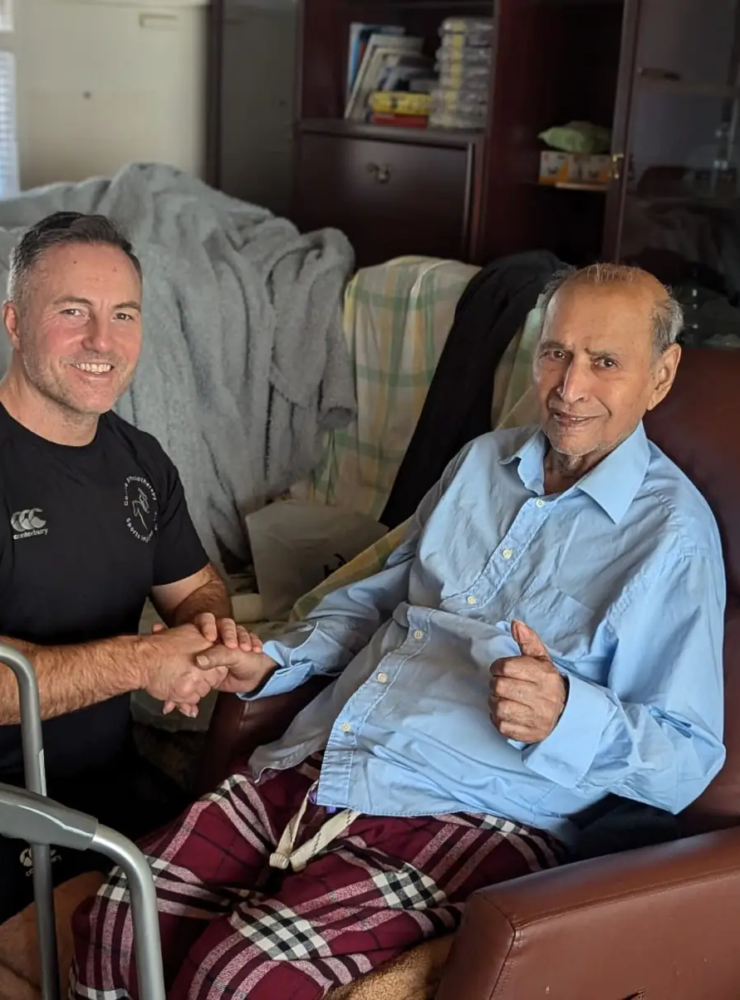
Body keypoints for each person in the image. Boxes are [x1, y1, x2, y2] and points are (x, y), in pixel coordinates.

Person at [71, 264, 726, 1000]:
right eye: (555, 354)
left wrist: (566, 715)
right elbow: (377, 600)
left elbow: (687, 761)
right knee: (114, 926)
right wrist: (275, 660)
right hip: (332, 758)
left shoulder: (673, 539)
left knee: (235, 979)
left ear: (661, 376)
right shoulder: (482, 462)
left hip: (471, 813)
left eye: (604, 362)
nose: (569, 388)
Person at [0, 212, 263, 923]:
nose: (102, 342)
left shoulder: (139, 460)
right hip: (6, 804)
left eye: (123, 315)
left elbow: (198, 587)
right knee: (119, 951)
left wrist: (208, 643)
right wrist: (144, 661)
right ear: (15, 321)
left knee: (250, 920)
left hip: (108, 783)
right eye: (72, 312)